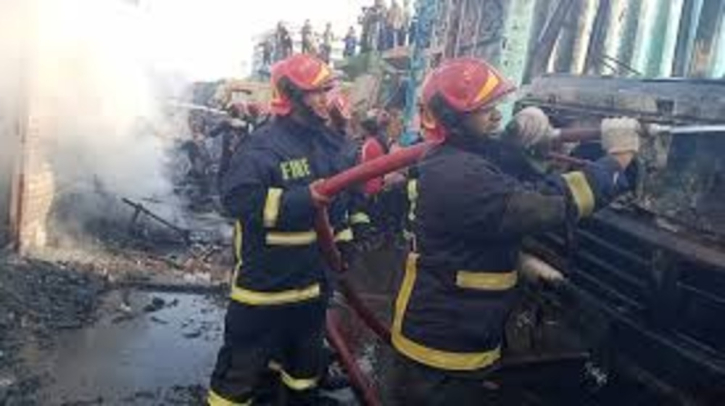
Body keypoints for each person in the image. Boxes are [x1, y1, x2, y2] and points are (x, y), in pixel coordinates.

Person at [390, 58, 641, 405]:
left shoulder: (453, 157)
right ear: (453, 119)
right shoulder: (459, 176)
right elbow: (546, 203)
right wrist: (616, 163)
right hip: (444, 348)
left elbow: (497, 164)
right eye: (484, 109)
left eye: (496, 107)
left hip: (459, 328)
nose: (495, 116)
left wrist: (516, 140)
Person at [208, 54, 350, 406]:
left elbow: (344, 191)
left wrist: (345, 243)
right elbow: (237, 198)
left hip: (311, 287)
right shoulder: (264, 146)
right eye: (316, 92)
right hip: (265, 290)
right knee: (238, 378)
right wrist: (303, 199)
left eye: (326, 90)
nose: (325, 99)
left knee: (303, 373)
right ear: (292, 96)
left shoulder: (324, 141)